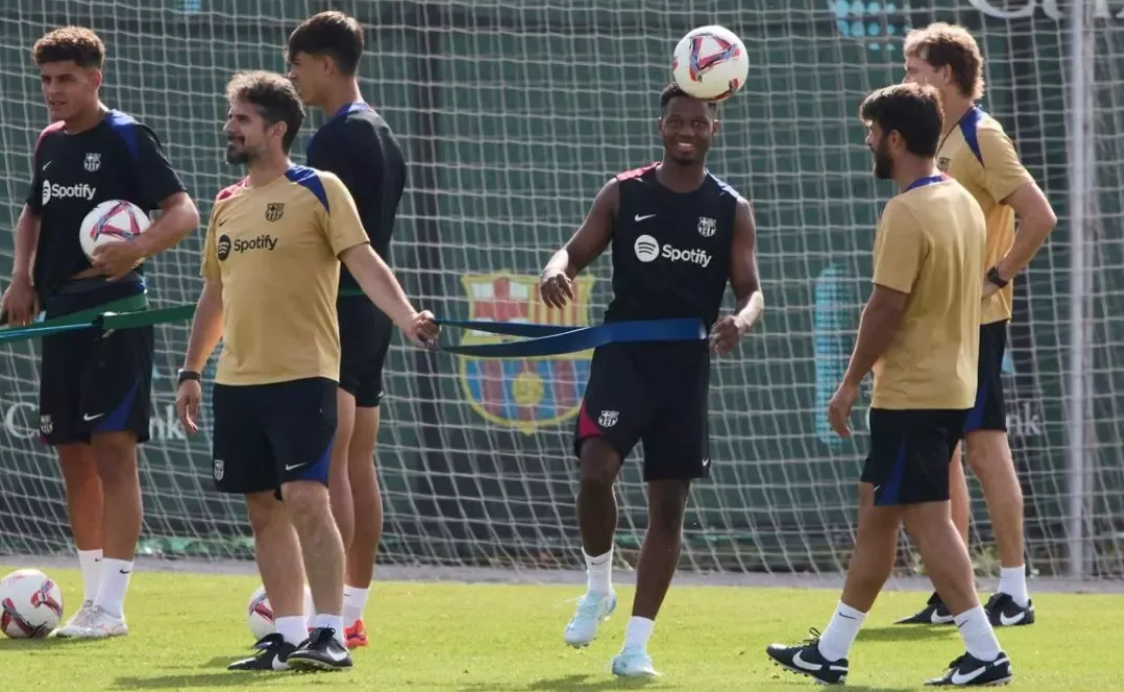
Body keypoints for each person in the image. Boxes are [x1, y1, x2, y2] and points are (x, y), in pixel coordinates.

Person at [173, 70, 437, 672]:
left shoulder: (320, 188)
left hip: (305, 375)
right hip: (237, 380)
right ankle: (286, 636)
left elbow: (365, 262)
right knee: (262, 508)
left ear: (277, 128)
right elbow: (214, 296)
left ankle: (330, 632)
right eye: (231, 116)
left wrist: (405, 317)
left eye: (242, 118)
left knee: (305, 497)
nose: (229, 127)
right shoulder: (226, 204)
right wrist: (191, 370)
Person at [765, 83, 1012, 687]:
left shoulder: (906, 212)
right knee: (877, 513)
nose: (868, 141)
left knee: (929, 522)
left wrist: (848, 382)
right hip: (948, 386)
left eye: (873, 132)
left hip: (913, 395)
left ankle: (985, 652)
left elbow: (885, 308)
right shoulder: (960, 200)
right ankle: (830, 651)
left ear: (896, 139)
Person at [540, 83, 764, 677]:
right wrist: (554, 270)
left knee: (668, 507)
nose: (686, 130)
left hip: (684, 369)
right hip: (623, 358)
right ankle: (598, 587)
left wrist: (740, 320)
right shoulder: (624, 191)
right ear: (660, 125)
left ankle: (636, 646)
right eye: (677, 121)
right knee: (595, 473)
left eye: (698, 122)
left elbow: (751, 290)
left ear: (714, 129)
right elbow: (572, 252)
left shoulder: (730, 208)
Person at [0, 26, 199, 638]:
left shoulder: (127, 137)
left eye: (65, 79)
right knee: (72, 454)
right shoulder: (49, 141)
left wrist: (138, 247)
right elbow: (33, 212)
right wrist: (21, 278)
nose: (53, 91)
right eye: (46, 80)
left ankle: (111, 608)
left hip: (117, 313)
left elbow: (185, 213)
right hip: (60, 313)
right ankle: (91, 601)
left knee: (114, 449)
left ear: (95, 78)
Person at [897, 21, 1057, 627]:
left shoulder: (982, 135)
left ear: (945, 73)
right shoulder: (937, 136)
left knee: (986, 450)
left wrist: (997, 276)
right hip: (941, 322)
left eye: (914, 70)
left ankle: (1014, 592)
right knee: (944, 459)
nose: (907, 79)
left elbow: (1039, 216)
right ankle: (953, 592)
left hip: (979, 322)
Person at [286, 10, 407, 649]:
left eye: (299, 66)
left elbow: (324, 239)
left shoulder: (333, 140)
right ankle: (354, 610)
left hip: (335, 308)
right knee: (360, 460)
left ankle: (328, 613)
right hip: (372, 313)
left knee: (333, 461)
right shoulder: (383, 131)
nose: (293, 77)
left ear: (327, 64)